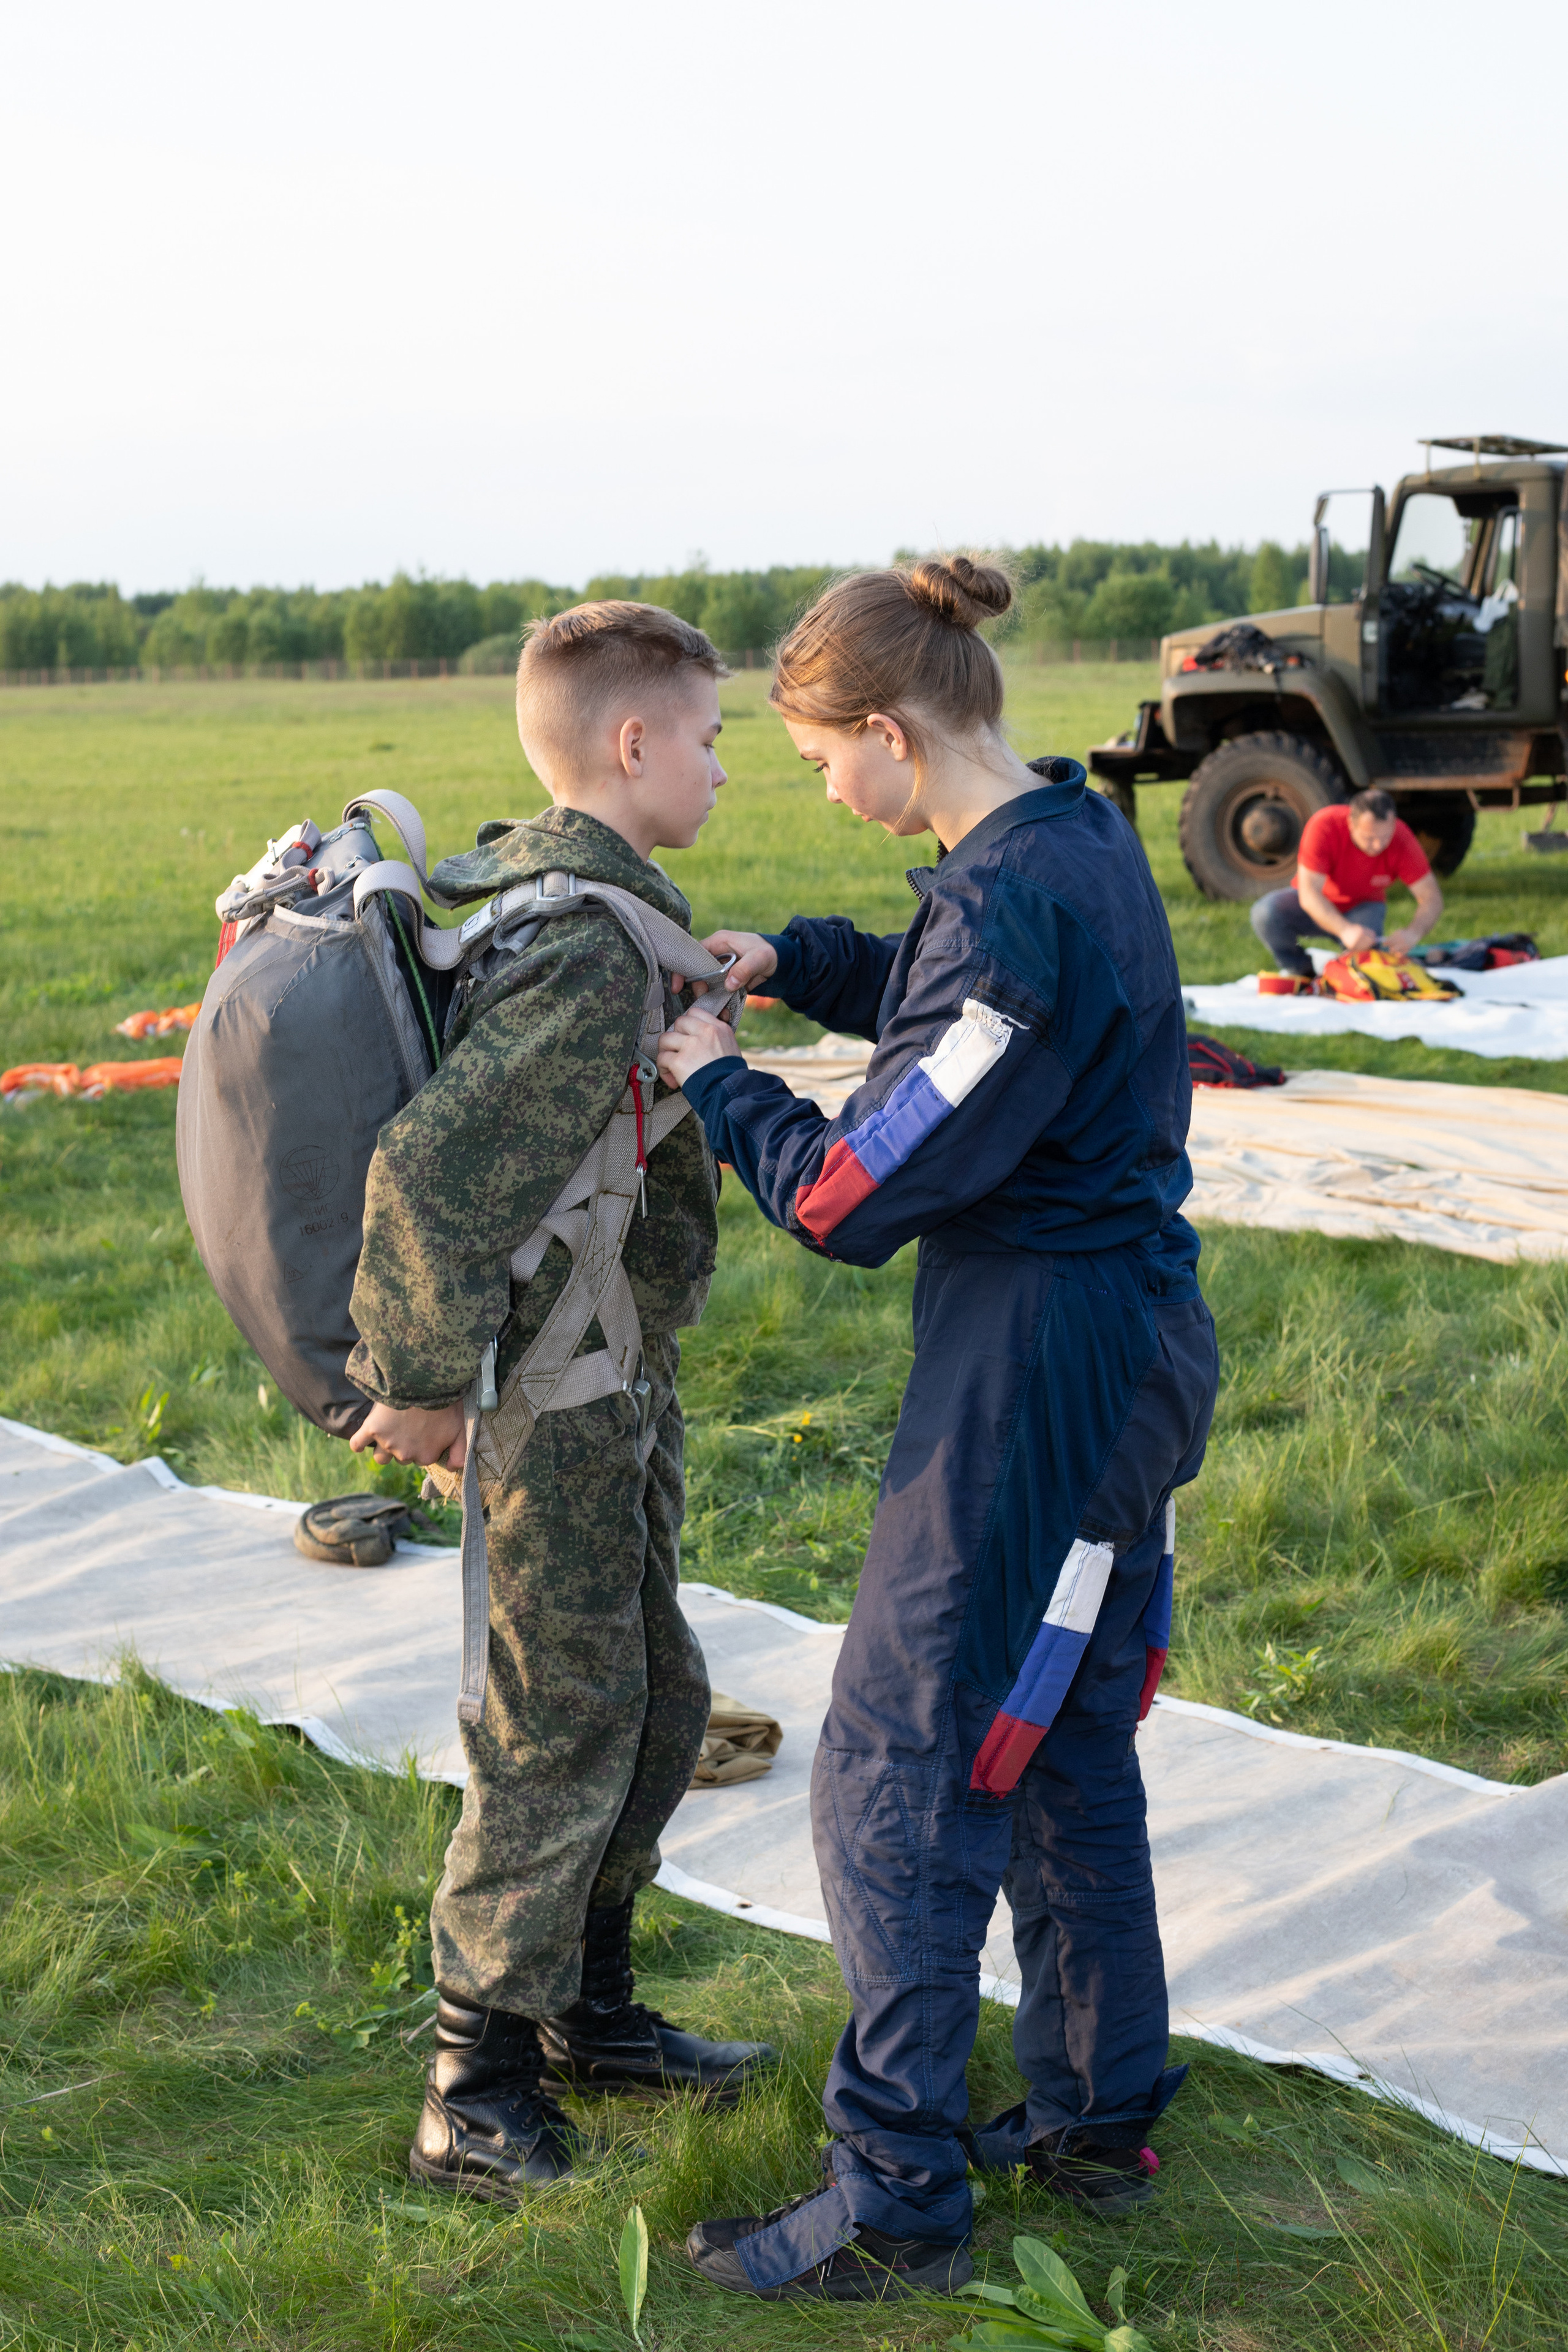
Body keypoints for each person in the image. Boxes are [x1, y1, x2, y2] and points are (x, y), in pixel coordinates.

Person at [656, 557, 1219, 2304]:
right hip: (1124, 1353)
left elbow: (850, 1188)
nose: (821, 784)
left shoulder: (1017, 910)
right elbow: (950, 988)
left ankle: (894, 2192)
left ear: (892, 732)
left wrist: (713, 1078)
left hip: (1039, 1388)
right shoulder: (1068, 834)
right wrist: (799, 957)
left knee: (898, 1764)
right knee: (1057, 1740)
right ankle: (1100, 2113)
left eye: (825, 756)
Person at [345, 601, 776, 2198]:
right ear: (634, 742)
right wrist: (423, 1385)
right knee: (558, 1716)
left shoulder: (590, 917)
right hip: (547, 1396)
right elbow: (435, 1167)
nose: (728, 770)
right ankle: (475, 2084)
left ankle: (588, 2008)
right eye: (715, 739)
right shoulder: (586, 945)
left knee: (654, 1693)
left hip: (610, 1380)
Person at [1250, 787, 1443, 976]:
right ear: (1351, 823)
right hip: (1318, 902)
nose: (1378, 846)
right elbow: (1309, 894)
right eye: (1369, 838)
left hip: (1365, 905)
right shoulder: (1324, 824)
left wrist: (1413, 933)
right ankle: (1301, 972)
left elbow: (1432, 898)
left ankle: (1352, 973)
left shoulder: (1402, 838)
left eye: (1385, 837)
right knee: (1265, 913)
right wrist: (1345, 930)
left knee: (1367, 969)